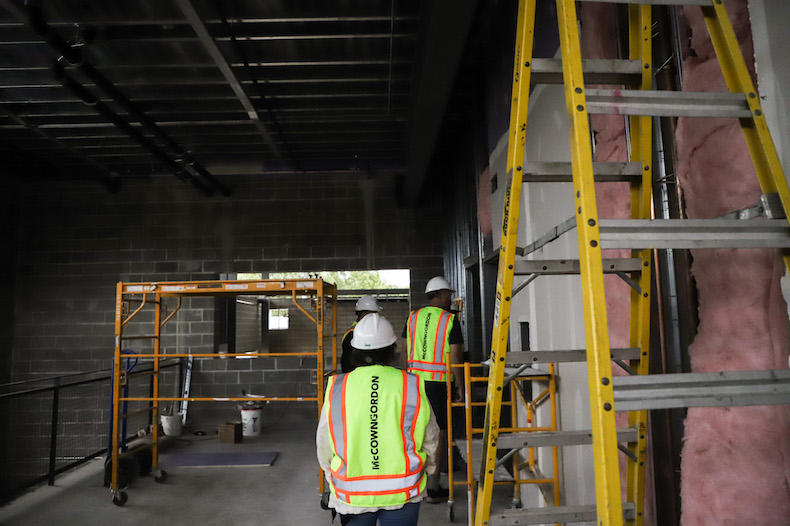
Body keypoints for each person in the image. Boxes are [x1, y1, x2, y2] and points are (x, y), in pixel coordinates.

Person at [317, 313, 440, 526]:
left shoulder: (339, 388)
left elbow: (324, 443)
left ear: (354, 351)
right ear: (391, 349)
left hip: (352, 495)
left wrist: (332, 475)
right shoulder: (409, 385)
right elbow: (431, 435)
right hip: (404, 490)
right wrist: (428, 468)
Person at [402, 276, 464, 503]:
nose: (450, 298)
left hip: (414, 383)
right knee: (439, 433)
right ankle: (433, 487)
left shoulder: (413, 318)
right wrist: (461, 386)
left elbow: (405, 352)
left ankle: (414, 482)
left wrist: (405, 380)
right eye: (448, 294)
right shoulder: (449, 320)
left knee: (415, 430)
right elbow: (455, 356)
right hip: (439, 385)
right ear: (440, 294)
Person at [340, 295, 382, 373]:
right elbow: (347, 363)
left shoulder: (370, 330)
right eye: (372, 314)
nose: (375, 317)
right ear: (363, 314)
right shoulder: (352, 334)